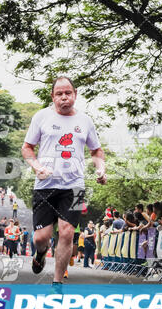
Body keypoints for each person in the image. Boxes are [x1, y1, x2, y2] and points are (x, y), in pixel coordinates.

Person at [21, 76, 106, 289]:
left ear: (75, 95)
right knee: (42, 237)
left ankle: (57, 282)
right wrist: (37, 167)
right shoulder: (41, 117)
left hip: (75, 186)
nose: (64, 97)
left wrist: (100, 168)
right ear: (53, 97)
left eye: (68, 93)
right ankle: (40, 253)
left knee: (67, 231)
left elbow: (96, 150)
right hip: (45, 185)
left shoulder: (85, 121)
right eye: (59, 94)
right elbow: (27, 148)